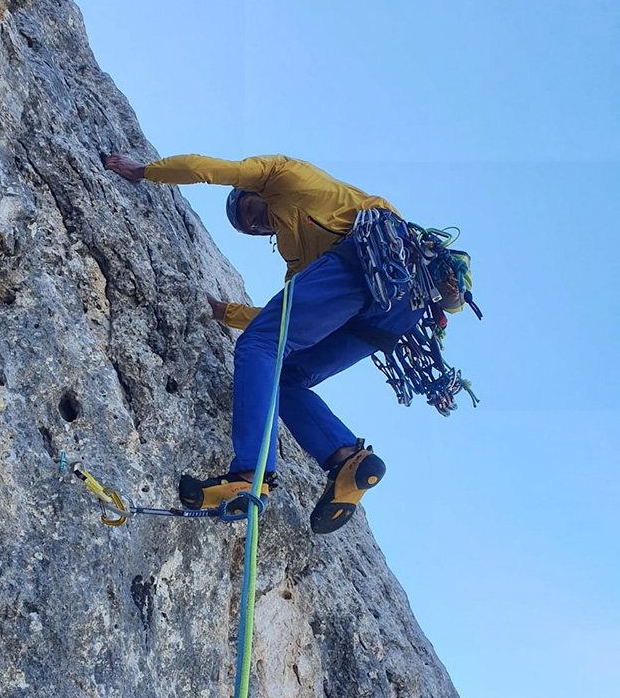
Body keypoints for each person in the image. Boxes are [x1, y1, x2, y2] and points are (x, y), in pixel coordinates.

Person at [104, 152, 446, 534]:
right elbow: (279, 318)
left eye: (248, 209)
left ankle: (250, 474)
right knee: (286, 376)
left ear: (253, 190)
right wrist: (225, 313)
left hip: (366, 259)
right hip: (395, 306)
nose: (252, 222)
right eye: (248, 228)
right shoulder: (301, 262)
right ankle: (347, 459)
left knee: (258, 348)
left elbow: (210, 170)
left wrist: (145, 171)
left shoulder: (279, 175)